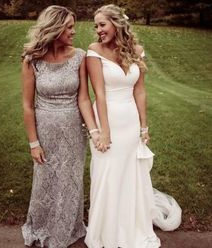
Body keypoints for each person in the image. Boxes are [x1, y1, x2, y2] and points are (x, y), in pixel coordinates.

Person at [84, 4, 182, 248]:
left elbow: (140, 91)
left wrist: (144, 126)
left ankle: (131, 228)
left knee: (130, 174)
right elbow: (99, 94)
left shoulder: (137, 50)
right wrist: (103, 131)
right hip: (107, 118)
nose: (98, 30)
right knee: (107, 172)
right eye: (96, 25)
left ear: (117, 24)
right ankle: (105, 231)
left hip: (130, 121)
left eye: (102, 24)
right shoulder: (94, 51)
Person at [21, 5, 99, 248]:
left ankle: (67, 227)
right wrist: (34, 143)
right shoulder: (31, 60)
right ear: (54, 28)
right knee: (45, 178)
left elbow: (84, 98)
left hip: (74, 130)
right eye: (69, 27)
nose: (74, 32)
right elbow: (27, 105)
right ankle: (42, 225)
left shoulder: (79, 56)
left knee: (71, 179)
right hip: (45, 130)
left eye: (73, 26)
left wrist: (94, 130)